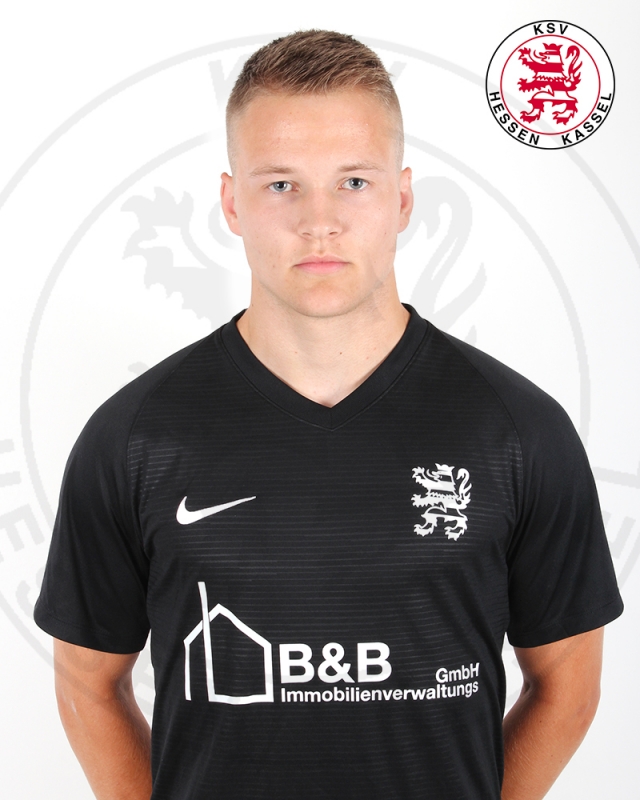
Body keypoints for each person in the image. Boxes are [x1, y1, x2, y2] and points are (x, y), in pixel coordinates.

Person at [34, 30, 623, 800]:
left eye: (354, 182)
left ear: (402, 199)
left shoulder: (518, 431)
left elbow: (567, 683)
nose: (320, 221)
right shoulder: (135, 439)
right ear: (231, 203)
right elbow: (87, 680)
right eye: (281, 184)